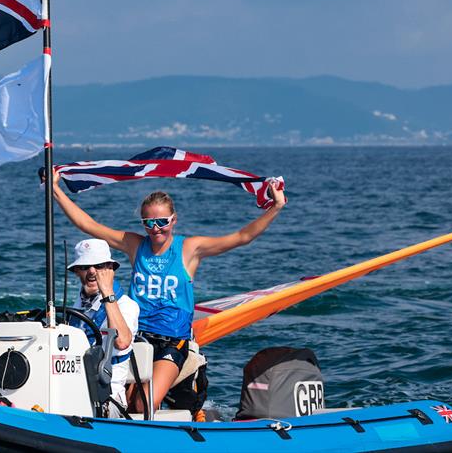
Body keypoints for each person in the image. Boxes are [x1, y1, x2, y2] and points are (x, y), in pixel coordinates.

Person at [54, 172, 286, 411]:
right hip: (135, 337)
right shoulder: (135, 245)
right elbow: (88, 225)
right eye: (148, 223)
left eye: (162, 222)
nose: (155, 229)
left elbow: (241, 237)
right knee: (114, 401)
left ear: (174, 220)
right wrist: (56, 189)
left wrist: (276, 206)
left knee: (142, 405)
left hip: (171, 343)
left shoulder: (189, 249)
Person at [69, 238, 139, 418]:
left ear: (110, 270)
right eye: (85, 267)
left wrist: (107, 293)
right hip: (72, 388)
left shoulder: (126, 305)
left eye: (99, 266)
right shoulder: (75, 308)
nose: (92, 272)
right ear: (77, 271)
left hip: (108, 399)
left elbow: (122, 342)